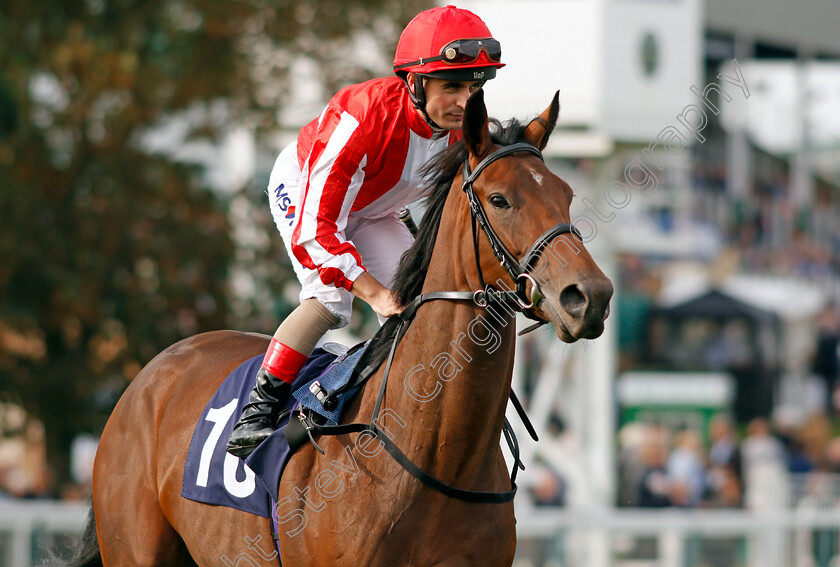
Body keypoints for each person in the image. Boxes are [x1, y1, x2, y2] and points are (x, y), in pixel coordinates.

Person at [226, 5, 505, 457]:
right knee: (332, 301)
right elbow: (316, 233)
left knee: (419, 301)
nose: (464, 102)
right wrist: (373, 293)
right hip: (308, 193)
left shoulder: (464, 130)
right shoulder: (362, 115)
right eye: (451, 86)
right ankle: (257, 413)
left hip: (375, 210)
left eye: (474, 88)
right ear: (414, 82)